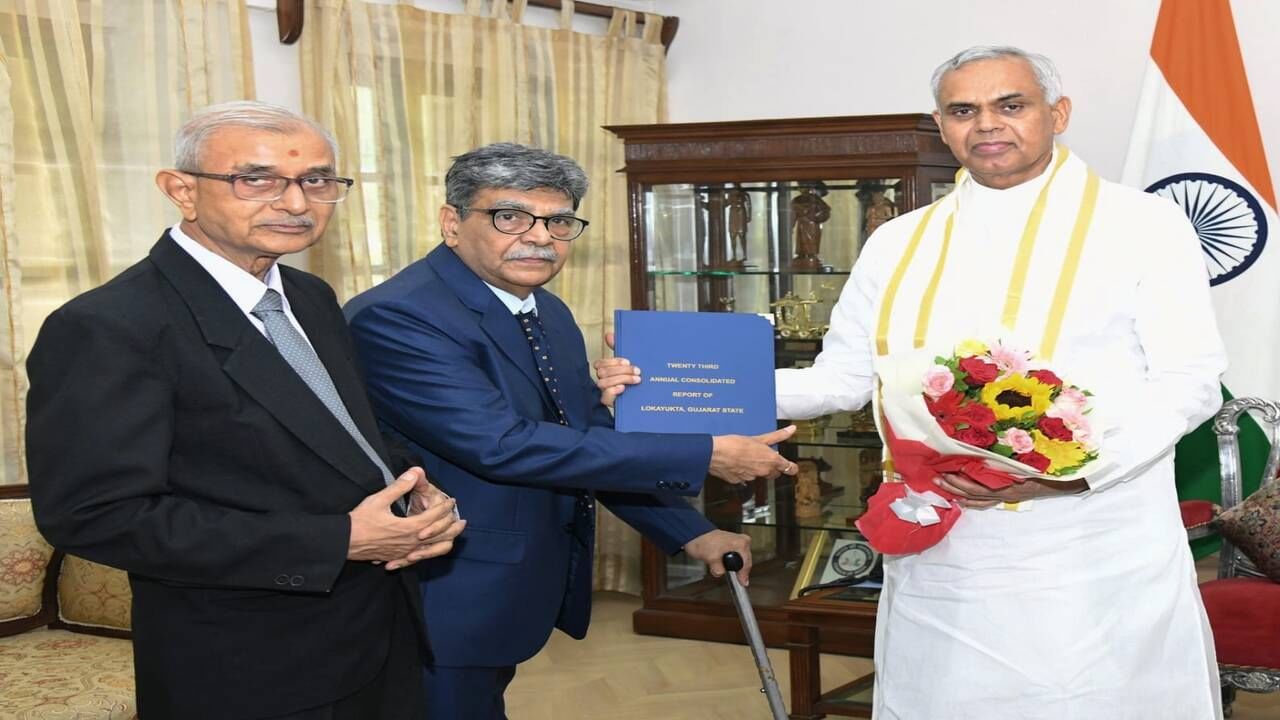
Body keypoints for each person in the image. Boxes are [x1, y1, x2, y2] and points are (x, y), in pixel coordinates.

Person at [599, 46, 1227, 719]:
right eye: (964, 110)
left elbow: (1189, 380)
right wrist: (661, 381)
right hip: (943, 539)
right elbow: (842, 377)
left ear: (1057, 113)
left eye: (1009, 105)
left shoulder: (1141, 224)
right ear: (942, 124)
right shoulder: (900, 240)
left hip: (1089, 536)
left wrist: (1072, 474)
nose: (986, 124)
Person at [25, 101, 465, 720]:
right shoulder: (108, 326)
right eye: (255, 179)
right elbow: (96, 516)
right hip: (247, 665)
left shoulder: (308, 296)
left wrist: (413, 488)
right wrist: (336, 539)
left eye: (316, 180)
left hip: (378, 631)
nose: (294, 203)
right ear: (181, 190)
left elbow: (337, 436)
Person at [344, 142, 797, 720]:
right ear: (451, 223)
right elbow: (502, 445)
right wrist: (705, 452)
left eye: (558, 221)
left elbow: (583, 431)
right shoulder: (401, 316)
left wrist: (689, 532)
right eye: (509, 217)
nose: (539, 237)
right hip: (443, 595)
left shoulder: (544, 309)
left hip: (510, 585)